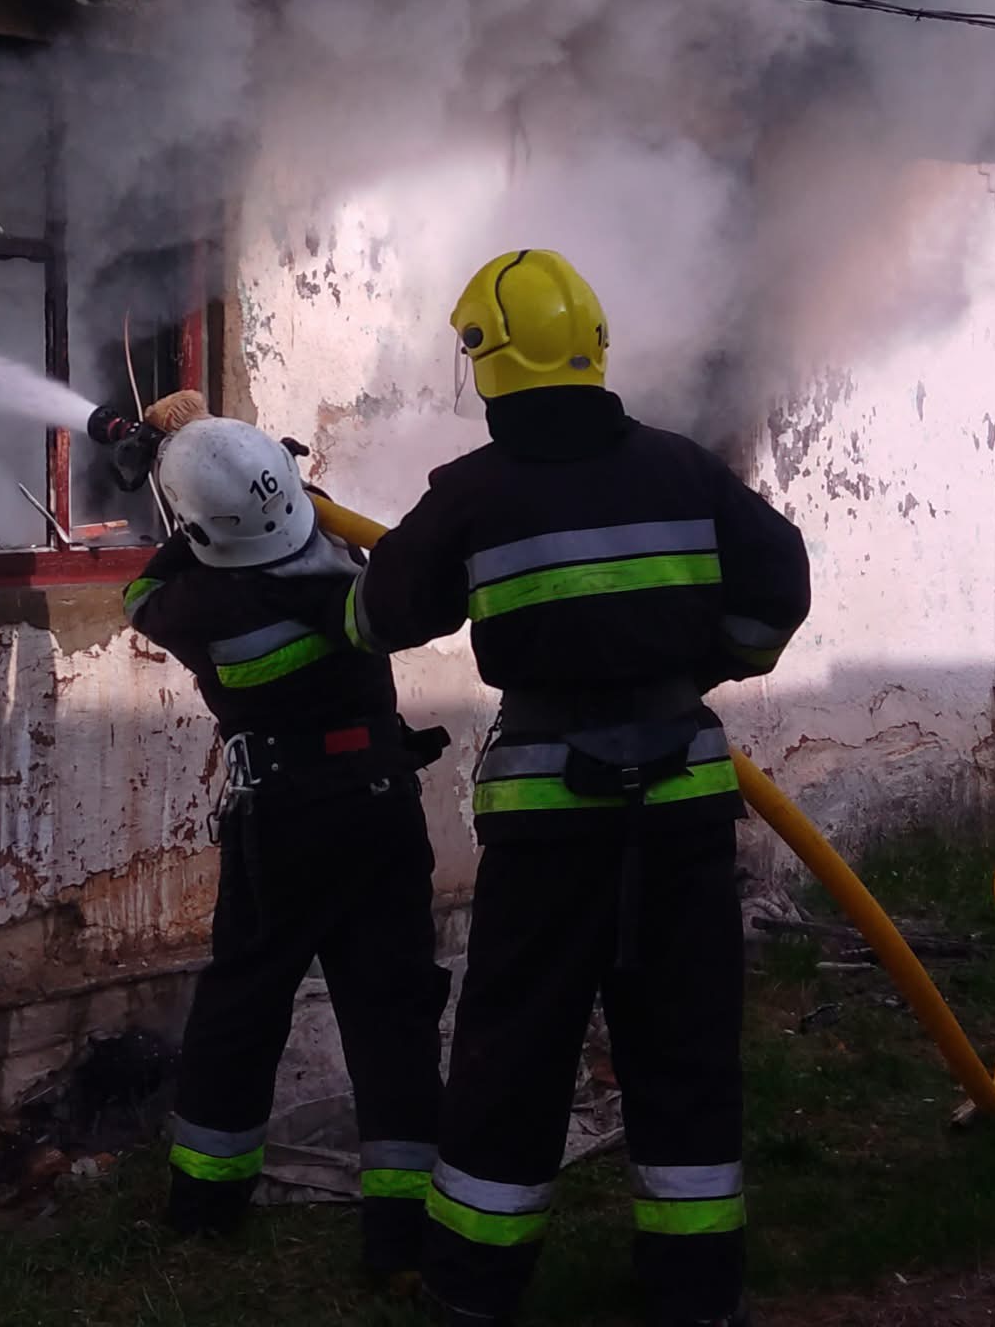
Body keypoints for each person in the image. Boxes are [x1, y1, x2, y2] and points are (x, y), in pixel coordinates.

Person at [338, 250, 812, 1327]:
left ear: (482, 360)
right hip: (683, 813)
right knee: (684, 1049)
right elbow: (777, 582)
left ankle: (470, 1288)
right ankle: (693, 1292)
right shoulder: (683, 470)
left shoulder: (471, 493)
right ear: (591, 347)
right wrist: (703, 668)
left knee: (512, 1053)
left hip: (551, 829)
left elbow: (382, 618)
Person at [124, 414, 453, 1281]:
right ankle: (402, 1233)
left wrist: (175, 492)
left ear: (200, 532)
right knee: (393, 1014)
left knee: (243, 1009)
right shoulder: (349, 570)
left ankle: (205, 1209)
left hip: (283, 819)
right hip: (382, 807)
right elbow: (314, 526)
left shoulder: (198, 605)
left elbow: (142, 594)